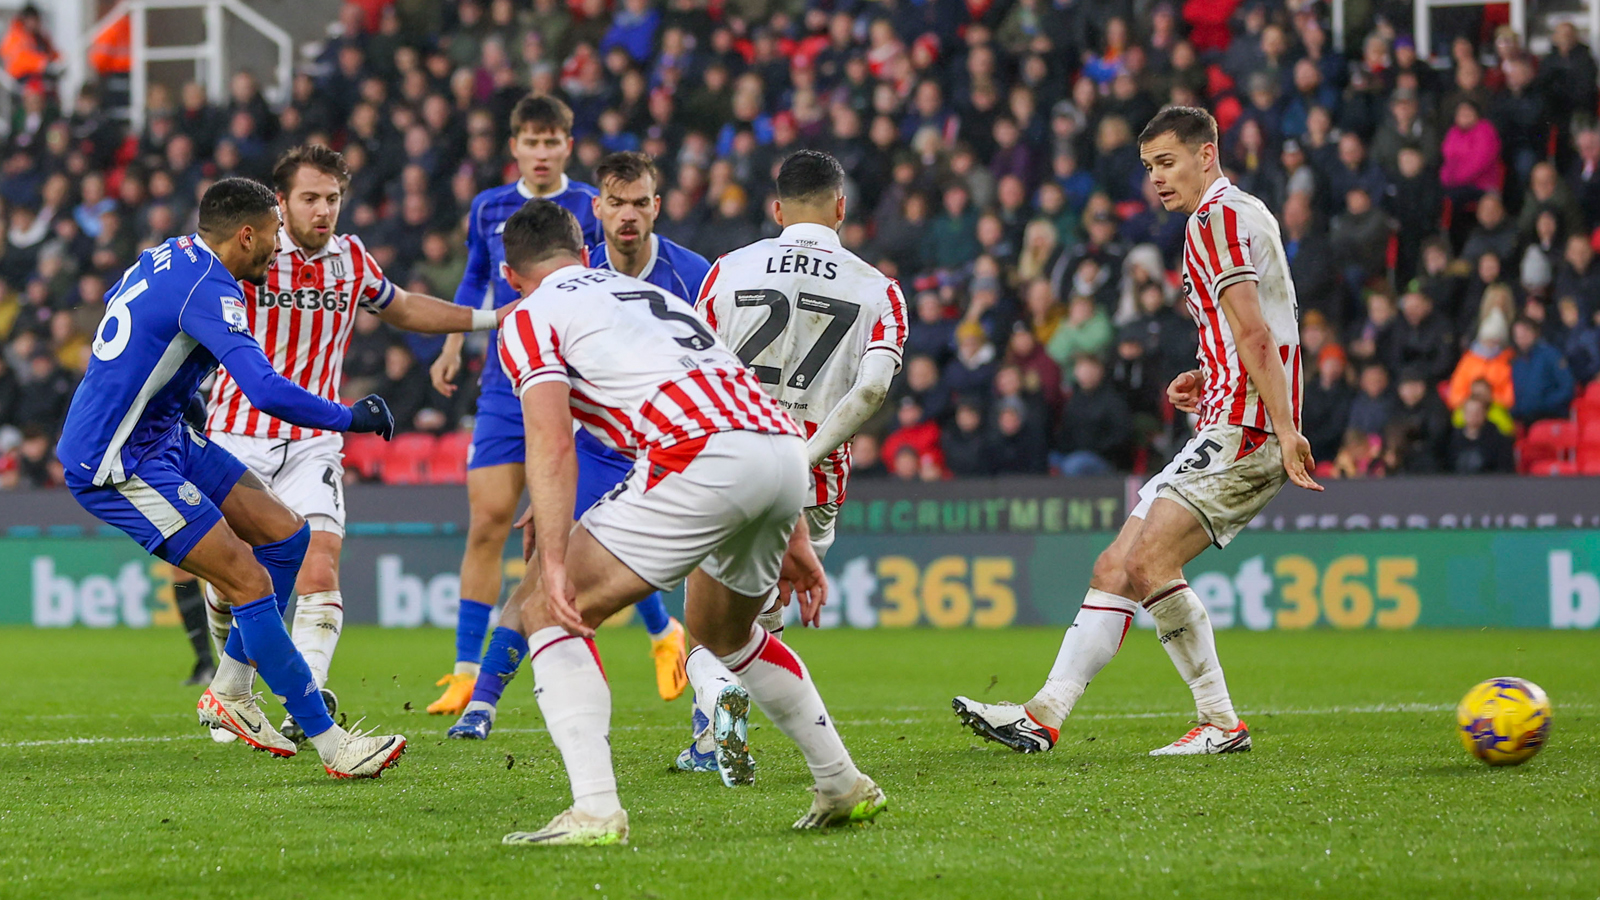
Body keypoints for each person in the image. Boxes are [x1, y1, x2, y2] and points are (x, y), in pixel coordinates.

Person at [490, 200, 883, 845]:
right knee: (723, 635)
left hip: (700, 451)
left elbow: (552, 442)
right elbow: (737, 387)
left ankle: (594, 808)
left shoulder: (530, 316)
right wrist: (795, 532)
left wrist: (553, 562)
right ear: (586, 253)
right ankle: (841, 782)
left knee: (545, 606)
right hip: (782, 451)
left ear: (511, 277)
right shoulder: (648, 296)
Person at [954, 107, 1320, 757]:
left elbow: (1259, 332)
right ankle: (1043, 715)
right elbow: (1254, 326)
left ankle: (1219, 721)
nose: (1157, 177)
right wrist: (1206, 371)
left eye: (1168, 162)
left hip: (1248, 428)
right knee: (1115, 565)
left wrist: (1285, 427)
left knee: (1150, 560)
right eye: (1149, 166)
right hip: (1229, 413)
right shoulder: (1243, 212)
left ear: (1207, 155)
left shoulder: (1214, 218)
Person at [54, 178, 404, 777]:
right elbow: (264, 389)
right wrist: (350, 417)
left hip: (163, 434)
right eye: (272, 236)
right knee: (246, 580)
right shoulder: (212, 288)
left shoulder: (170, 253)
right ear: (246, 235)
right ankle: (331, 745)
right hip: (118, 462)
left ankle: (232, 693)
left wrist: (162, 392)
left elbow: (118, 312)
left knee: (289, 537)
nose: (277, 247)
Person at [198, 144, 508, 746]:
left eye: (333, 198)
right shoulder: (250, 250)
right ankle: (234, 692)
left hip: (316, 440)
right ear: (280, 203)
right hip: (237, 433)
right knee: (225, 584)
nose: (324, 210)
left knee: (321, 561)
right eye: (310, 198)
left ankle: (304, 696)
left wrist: (491, 319)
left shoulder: (351, 259)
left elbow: (405, 308)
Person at [424, 96, 686, 717]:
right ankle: (465, 671)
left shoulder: (587, 211)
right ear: (513, 146)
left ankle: (660, 633)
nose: (541, 153)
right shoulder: (488, 206)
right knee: (488, 517)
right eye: (530, 142)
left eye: (552, 142)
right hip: (500, 380)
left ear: (567, 145)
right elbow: (473, 278)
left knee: (581, 517)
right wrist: (454, 342)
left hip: (567, 379)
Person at [682, 150, 905, 778]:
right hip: (816, 475)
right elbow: (872, 391)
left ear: (776, 210)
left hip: (730, 460)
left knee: (708, 619)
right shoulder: (877, 287)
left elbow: (697, 372)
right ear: (842, 207)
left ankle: (713, 698)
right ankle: (717, 734)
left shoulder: (728, 271)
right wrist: (800, 457)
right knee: (768, 611)